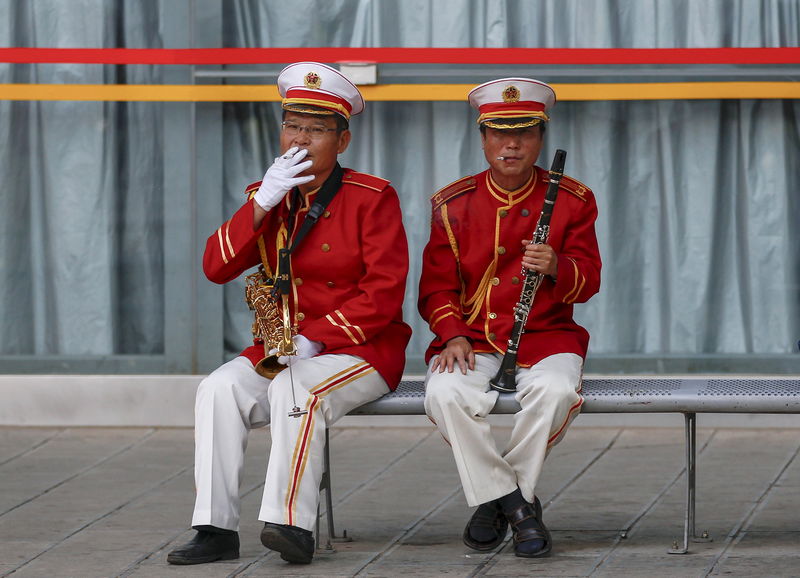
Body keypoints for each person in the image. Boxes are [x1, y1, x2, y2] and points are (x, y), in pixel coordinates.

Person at [167, 62, 411, 566]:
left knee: (293, 387)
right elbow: (215, 266)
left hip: (359, 350)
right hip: (283, 349)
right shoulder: (270, 193)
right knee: (218, 388)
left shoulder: (373, 197)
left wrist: (316, 338)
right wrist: (261, 203)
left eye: (317, 130)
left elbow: (384, 293)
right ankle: (214, 528)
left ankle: (290, 523)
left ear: (342, 142)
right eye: (292, 126)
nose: (300, 139)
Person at [418, 77, 601, 558]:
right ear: (482, 139)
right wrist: (451, 332)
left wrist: (559, 266)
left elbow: (592, 278)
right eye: (499, 133)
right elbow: (435, 286)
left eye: (524, 132)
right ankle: (518, 503)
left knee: (557, 391)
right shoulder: (452, 203)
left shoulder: (574, 200)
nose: (512, 144)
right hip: (473, 338)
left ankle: (492, 502)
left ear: (541, 138)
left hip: (547, 336)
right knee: (443, 391)